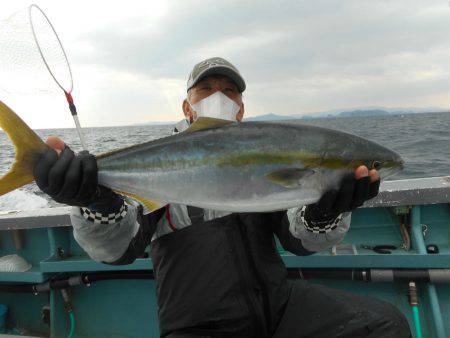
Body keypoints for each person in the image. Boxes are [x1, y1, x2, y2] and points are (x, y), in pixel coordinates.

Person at [33, 57, 411, 338]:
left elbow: (298, 241)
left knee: (386, 325)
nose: (219, 96)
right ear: (187, 106)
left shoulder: (270, 151)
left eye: (230, 91)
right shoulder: (159, 161)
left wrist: (326, 210)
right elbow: (119, 249)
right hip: (197, 323)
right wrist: (98, 203)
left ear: (242, 110)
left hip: (278, 308)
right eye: (206, 88)